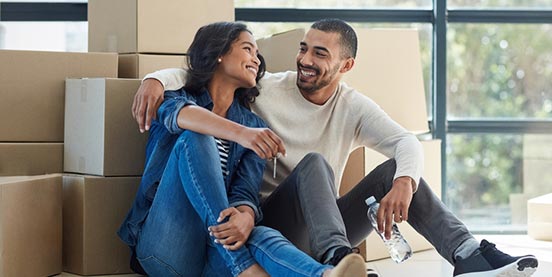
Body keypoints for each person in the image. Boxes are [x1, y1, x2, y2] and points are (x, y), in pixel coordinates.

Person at [131, 19, 539, 277]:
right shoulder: (263, 93)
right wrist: (153, 77)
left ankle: (466, 253)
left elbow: (405, 142)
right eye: (303, 48)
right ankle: (336, 259)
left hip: (300, 223)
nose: (305, 59)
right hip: (250, 226)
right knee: (308, 166)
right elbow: (193, 81)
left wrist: (405, 182)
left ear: (345, 66)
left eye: (319, 53)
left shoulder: (346, 107)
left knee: (387, 172)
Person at [118, 21, 367, 277]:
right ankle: (244, 267)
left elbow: (245, 191)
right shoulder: (176, 98)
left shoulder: (253, 125)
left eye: (257, 53)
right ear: (219, 53)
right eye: (248, 49)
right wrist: (243, 135)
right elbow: (179, 116)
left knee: (261, 233)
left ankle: (325, 275)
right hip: (165, 249)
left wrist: (247, 215)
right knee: (198, 137)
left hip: (215, 252)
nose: (256, 59)